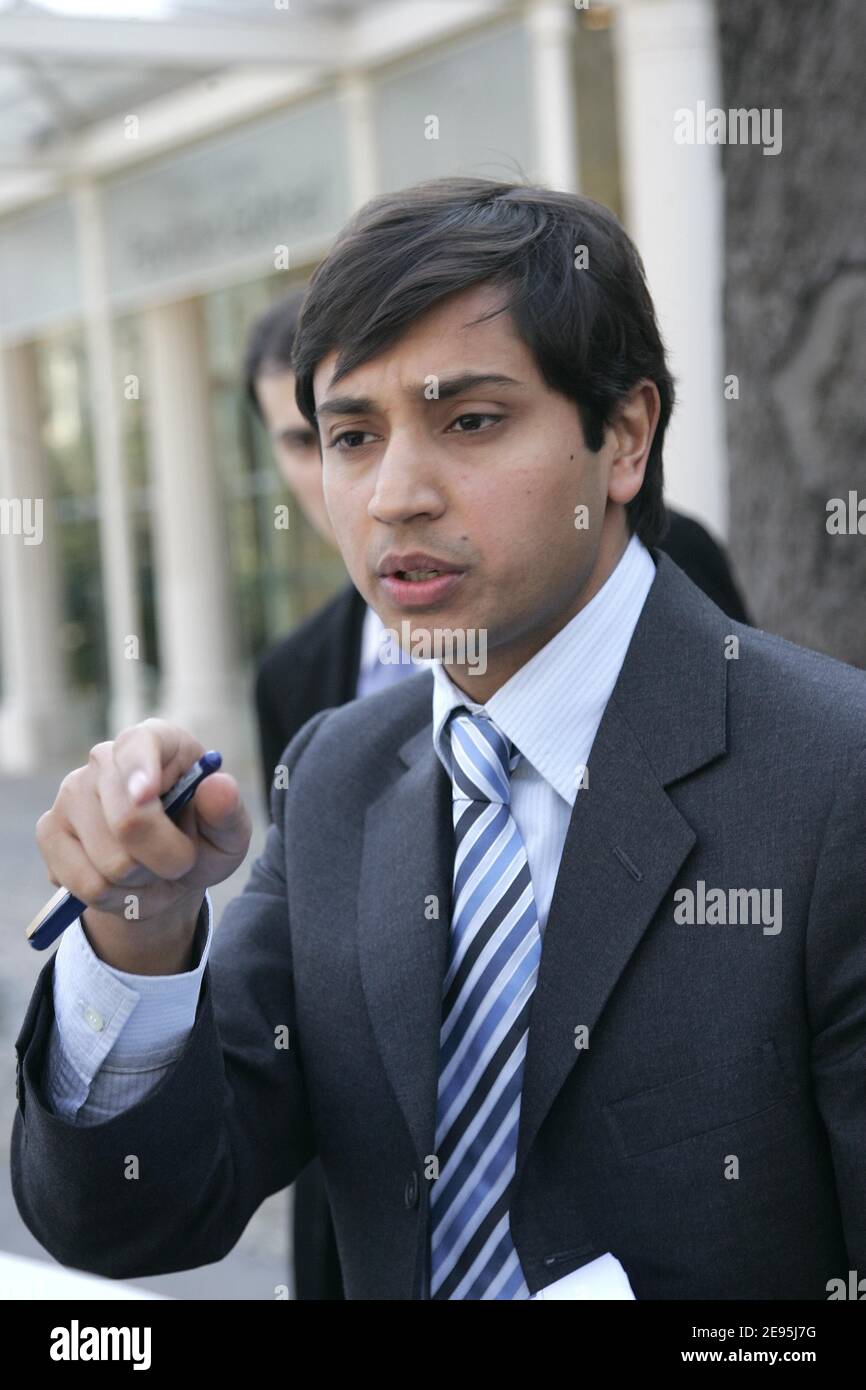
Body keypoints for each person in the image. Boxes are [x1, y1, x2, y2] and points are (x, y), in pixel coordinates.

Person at [13, 178, 864, 1300]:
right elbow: (135, 1215)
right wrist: (139, 934)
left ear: (622, 438)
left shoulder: (830, 778)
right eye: (351, 436)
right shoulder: (336, 775)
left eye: (469, 420)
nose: (393, 495)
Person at [244, 293, 428, 1300]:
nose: (348, 481)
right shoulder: (293, 676)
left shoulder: (663, 560)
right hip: (360, 1182)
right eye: (318, 439)